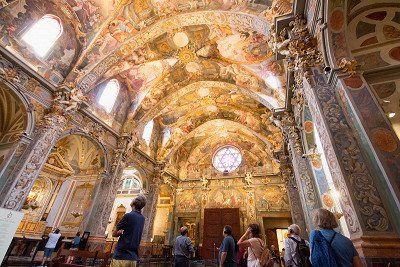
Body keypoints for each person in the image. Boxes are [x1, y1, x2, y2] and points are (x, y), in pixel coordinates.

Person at [111, 194, 146, 267]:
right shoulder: (142, 218)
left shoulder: (128, 215)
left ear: (133, 203)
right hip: (133, 257)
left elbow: (114, 234)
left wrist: (119, 233)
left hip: (122, 256)